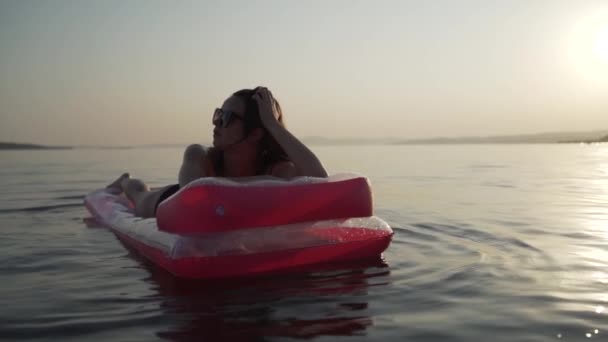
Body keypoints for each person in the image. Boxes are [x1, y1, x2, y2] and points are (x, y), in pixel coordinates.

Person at [106, 86, 327, 218]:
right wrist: (269, 183)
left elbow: (320, 182)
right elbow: (194, 202)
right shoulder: (199, 156)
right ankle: (125, 181)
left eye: (227, 118)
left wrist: (272, 123)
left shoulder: (278, 168)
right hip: (175, 200)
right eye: (218, 114)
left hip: (227, 202)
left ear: (256, 133)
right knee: (140, 194)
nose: (216, 123)